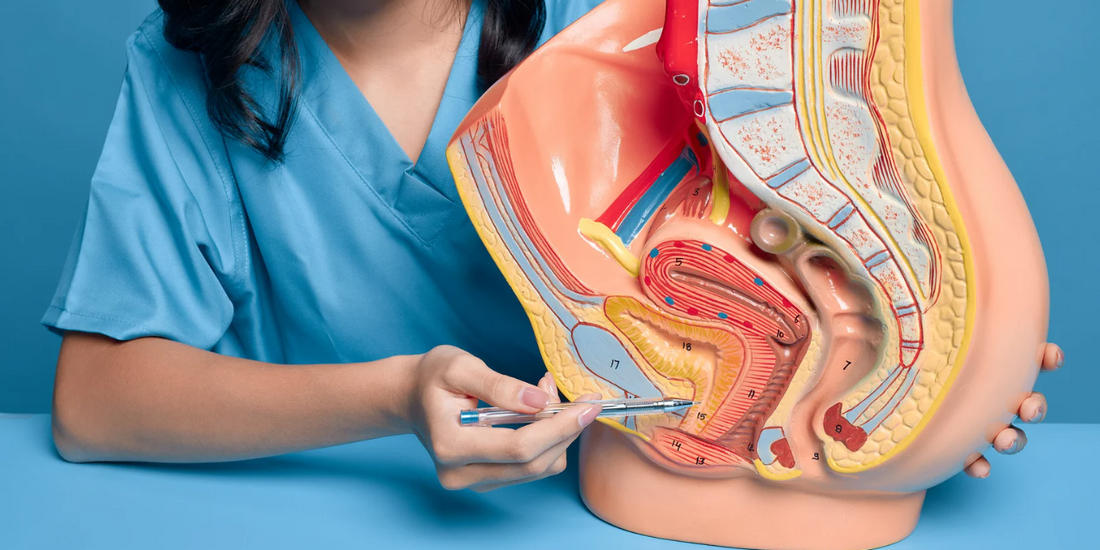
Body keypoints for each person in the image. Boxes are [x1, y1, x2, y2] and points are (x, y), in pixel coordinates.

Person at [42, 0, 1060, 491]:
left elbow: (786, 266)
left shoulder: (620, 22)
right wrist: (392, 396)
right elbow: (93, 404)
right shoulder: (191, 66)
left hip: (619, 505)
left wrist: (941, 363)